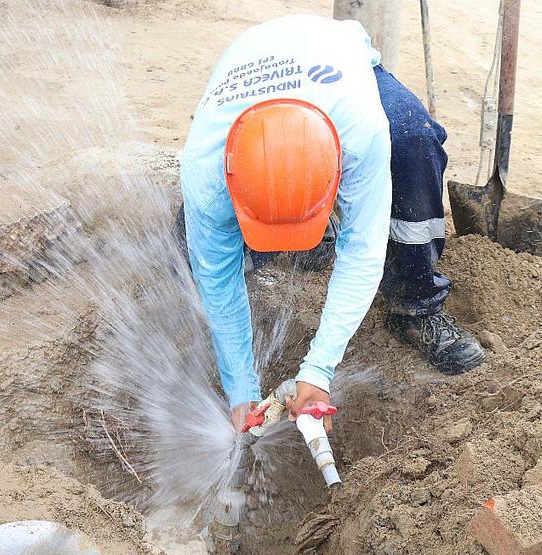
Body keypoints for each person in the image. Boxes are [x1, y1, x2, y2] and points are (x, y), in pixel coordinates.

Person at [178, 14, 485, 432]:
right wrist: (241, 393)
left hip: (333, 60)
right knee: (191, 247)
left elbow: (362, 249)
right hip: (254, 61)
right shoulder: (206, 173)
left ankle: (417, 302)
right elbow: (217, 283)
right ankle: (300, 235)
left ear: (337, 172)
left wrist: (318, 369)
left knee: (413, 140)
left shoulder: (361, 133)